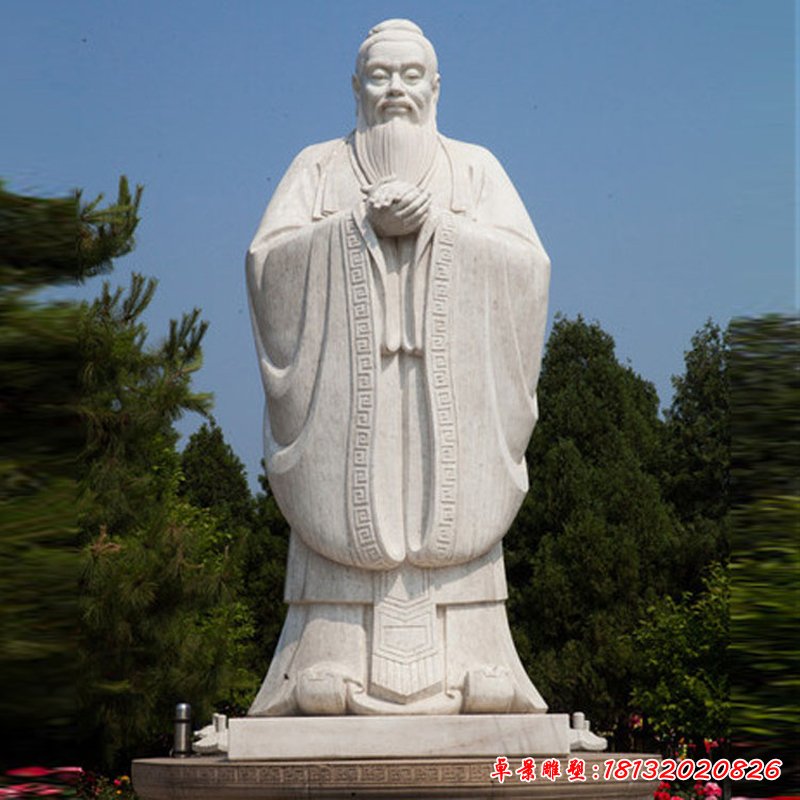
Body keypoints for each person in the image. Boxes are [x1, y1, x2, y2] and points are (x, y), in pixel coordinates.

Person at [246, 19, 551, 716]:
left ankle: (474, 654)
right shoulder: (316, 169)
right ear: (356, 86)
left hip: (445, 404)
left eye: (411, 76)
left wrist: (438, 228)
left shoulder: (475, 169)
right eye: (380, 76)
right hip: (354, 398)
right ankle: (324, 654)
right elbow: (267, 267)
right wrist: (356, 228)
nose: (395, 91)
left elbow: (529, 271)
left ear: (435, 87)